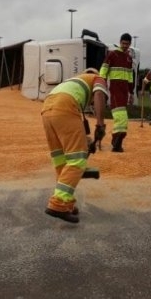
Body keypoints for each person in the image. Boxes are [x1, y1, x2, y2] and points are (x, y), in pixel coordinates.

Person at [41, 68, 109, 223]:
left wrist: (87, 143)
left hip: (47, 109)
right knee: (77, 161)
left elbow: (79, 129)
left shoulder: (73, 83)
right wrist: (100, 125)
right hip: (65, 107)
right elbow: (99, 95)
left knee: (62, 161)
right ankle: (57, 204)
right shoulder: (98, 79)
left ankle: (67, 203)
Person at [99, 33, 134, 152]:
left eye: (127, 44)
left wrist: (131, 93)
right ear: (120, 42)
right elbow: (103, 70)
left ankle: (117, 140)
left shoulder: (129, 58)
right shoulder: (112, 54)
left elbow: (130, 77)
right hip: (115, 89)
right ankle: (116, 140)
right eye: (123, 43)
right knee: (121, 115)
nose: (125, 46)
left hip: (124, 90)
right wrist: (101, 85)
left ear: (130, 44)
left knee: (122, 116)